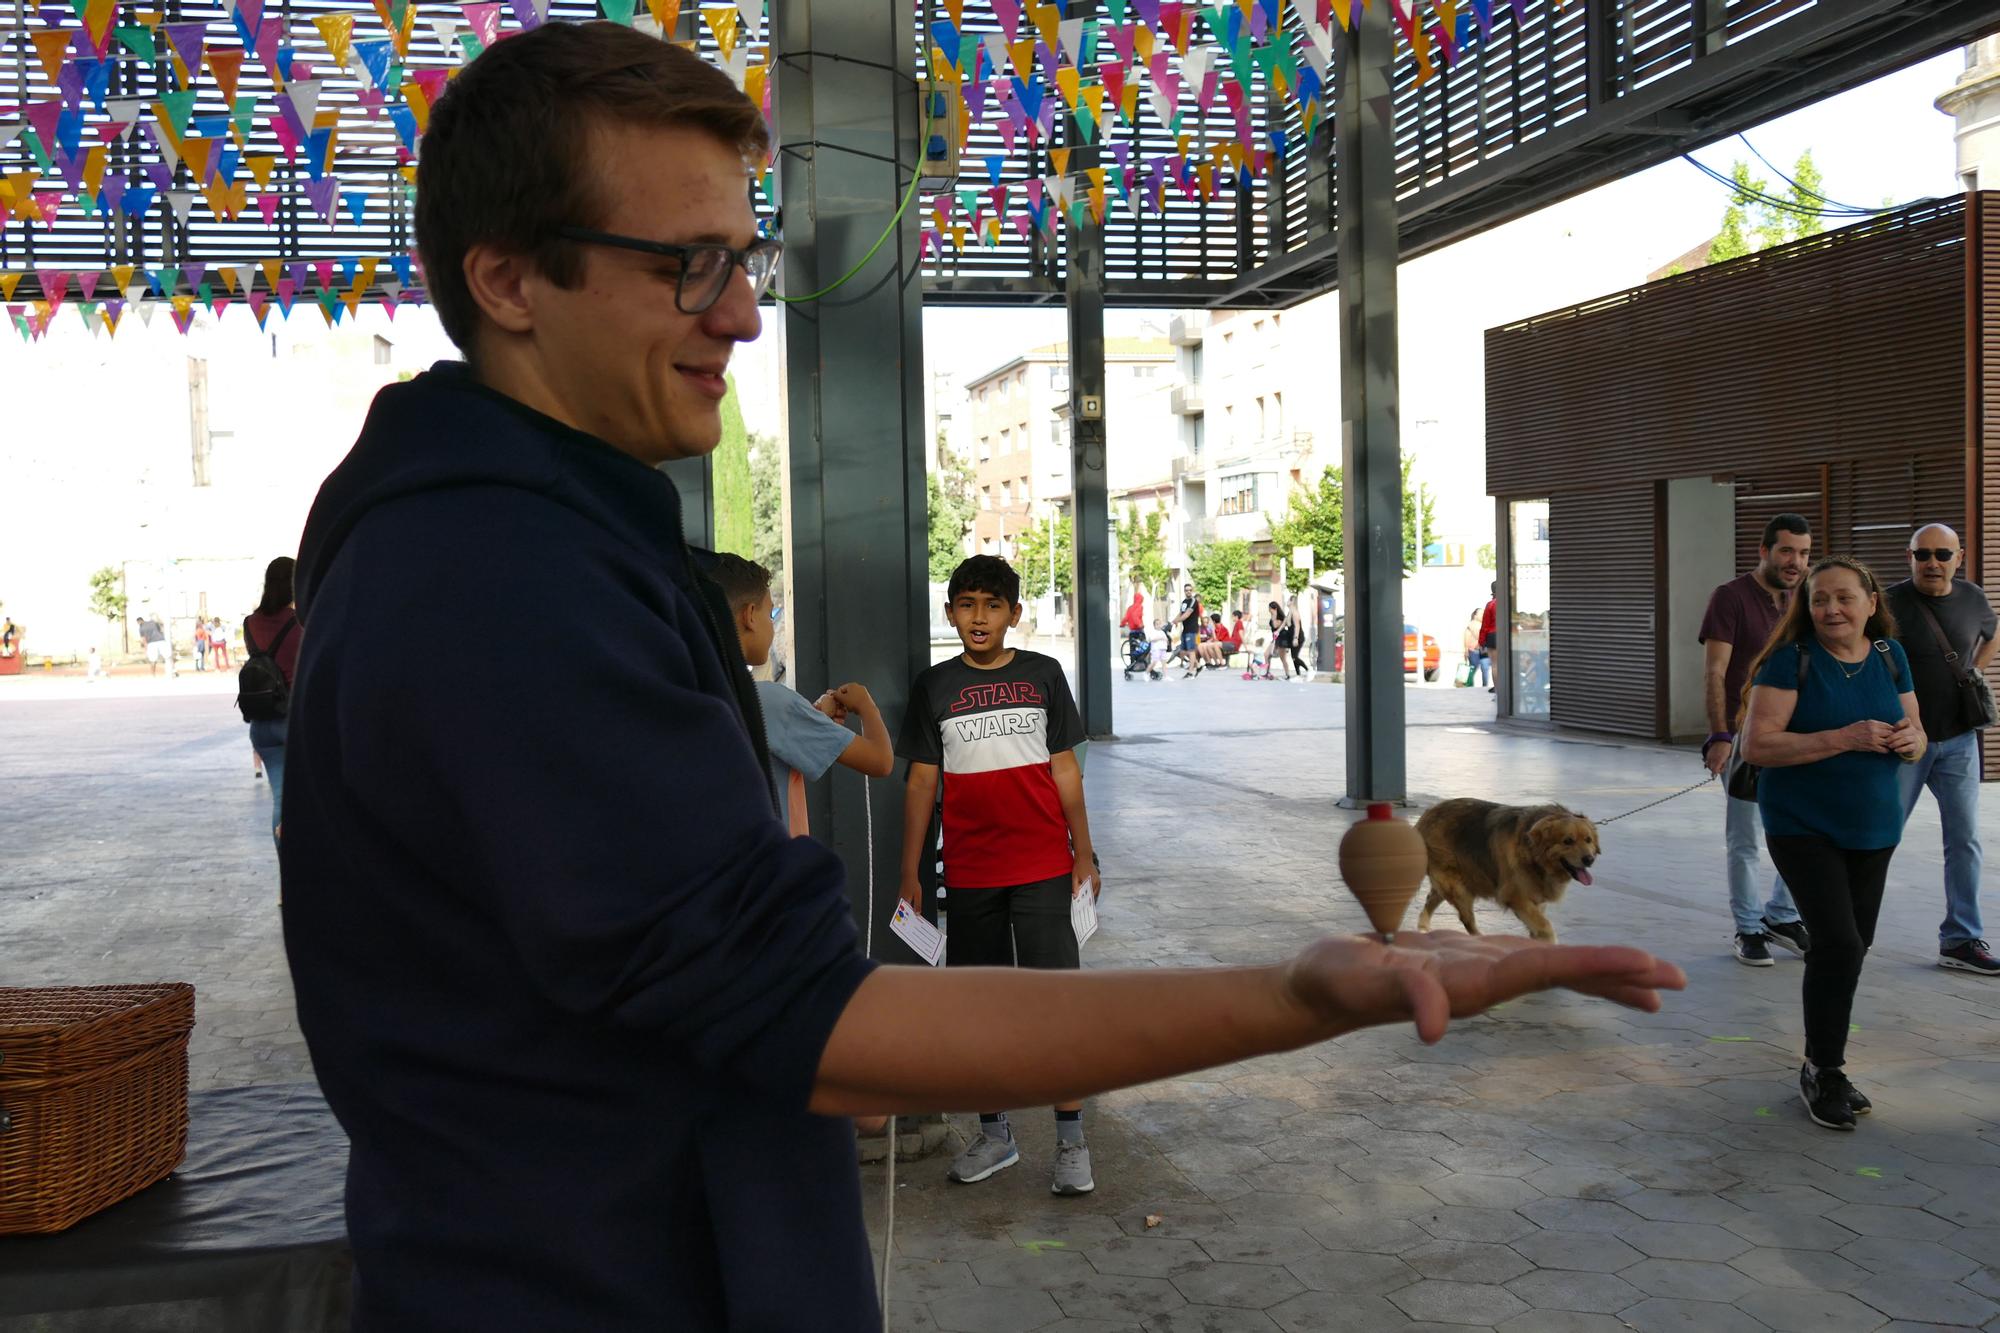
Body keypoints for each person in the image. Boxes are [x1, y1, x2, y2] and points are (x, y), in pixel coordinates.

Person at [278, 23, 1684, 1330]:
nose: (745, 318)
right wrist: (1304, 995)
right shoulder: (499, 580)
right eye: (685, 266)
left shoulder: (534, 536)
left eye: (744, 258)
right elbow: (817, 1031)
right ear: (509, 275)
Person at [898, 555, 1100, 1195]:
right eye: (966, 605)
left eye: (991, 605)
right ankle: (995, 1135)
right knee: (981, 1007)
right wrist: (912, 871)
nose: (978, 617)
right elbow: (922, 783)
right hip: (970, 875)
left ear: (1015, 614)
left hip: (1043, 868)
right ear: (949, 612)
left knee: (1056, 1007)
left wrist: (1084, 853)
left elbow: (1065, 768)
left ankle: (1071, 1141)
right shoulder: (934, 687)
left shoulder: (1044, 675)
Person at [1740, 557, 1923, 1130]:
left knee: (1851, 946)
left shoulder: (1892, 657)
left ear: (1872, 602)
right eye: (1820, 600)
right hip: (1802, 825)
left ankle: (1824, 1061)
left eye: (1845, 598)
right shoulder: (1789, 661)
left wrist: (1912, 741)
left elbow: (1915, 728)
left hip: (1875, 827)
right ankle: (1825, 1070)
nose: (1831, 610)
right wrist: (1843, 738)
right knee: (1839, 944)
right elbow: (1758, 747)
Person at [1699, 513, 1814, 967]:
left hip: (1797, 739)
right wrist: (1720, 734)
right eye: (1787, 551)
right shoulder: (1730, 598)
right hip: (1744, 739)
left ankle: (1783, 916)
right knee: (1745, 838)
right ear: (1764, 551)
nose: (1796, 562)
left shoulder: (1804, 599)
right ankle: (1748, 928)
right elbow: (1714, 672)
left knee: (1802, 833)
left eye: (1804, 553)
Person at [710, 551, 894, 835]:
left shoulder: (697, 696)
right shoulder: (770, 702)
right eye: (770, 612)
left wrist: (811, 715)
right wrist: (867, 706)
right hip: (773, 869)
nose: (772, 624)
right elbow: (880, 761)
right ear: (749, 616)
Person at [1885, 524, 1999, 977]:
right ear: (1909, 556)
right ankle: (1814, 918)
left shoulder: (1974, 598)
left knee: (1965, 841)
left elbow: (1992, 633)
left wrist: (1972, 672)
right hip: (1903, 744)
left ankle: (1961, 939)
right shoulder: (1888, 603)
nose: (1932, 562)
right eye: (1923, 554)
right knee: (1871, 834)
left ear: (1960, 557)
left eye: (1942, 554)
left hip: (1958, 741)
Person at [243, 557, 300, 845]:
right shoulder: (299, 624)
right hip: (291, 722)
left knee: (281, 800)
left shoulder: (250, 623)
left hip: (261, 725)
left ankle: (285, 880)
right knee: (304, 803)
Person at [1172, 582, 1204, 677]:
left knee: (1191, 651)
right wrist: (1174, 621)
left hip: (1192, 630)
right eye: (1186, 590)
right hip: (1185, 630)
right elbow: (1181, 613)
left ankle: (1190, 672)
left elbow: (1187, 614)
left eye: (1190, 590)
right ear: (1184, 591)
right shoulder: (1184, 602)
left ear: (1192, 591)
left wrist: (1177, 620)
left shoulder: (1194, 601)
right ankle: (1198, 666)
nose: (1188, 592)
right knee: (1183, 651)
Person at [1264, 601, 1293, 681]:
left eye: (1270, 608)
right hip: (1275, 638)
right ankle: (1267, 672)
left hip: (1282, 638)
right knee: (1266, 654)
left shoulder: (1280, 617)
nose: (1269, 610)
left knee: (1282, 658)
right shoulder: (1273, 616)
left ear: (1275, 608)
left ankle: (1287, 674)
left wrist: (1274, 616)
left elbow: (1275, 626)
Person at [1478, 586, 1498, 693]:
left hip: (1492, 636)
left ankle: (1497, 689)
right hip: (1507, 635)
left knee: (1495, 664)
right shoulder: (1509, 603)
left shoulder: (1491, 604)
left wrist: (1481, 641)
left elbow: (1485, 625)